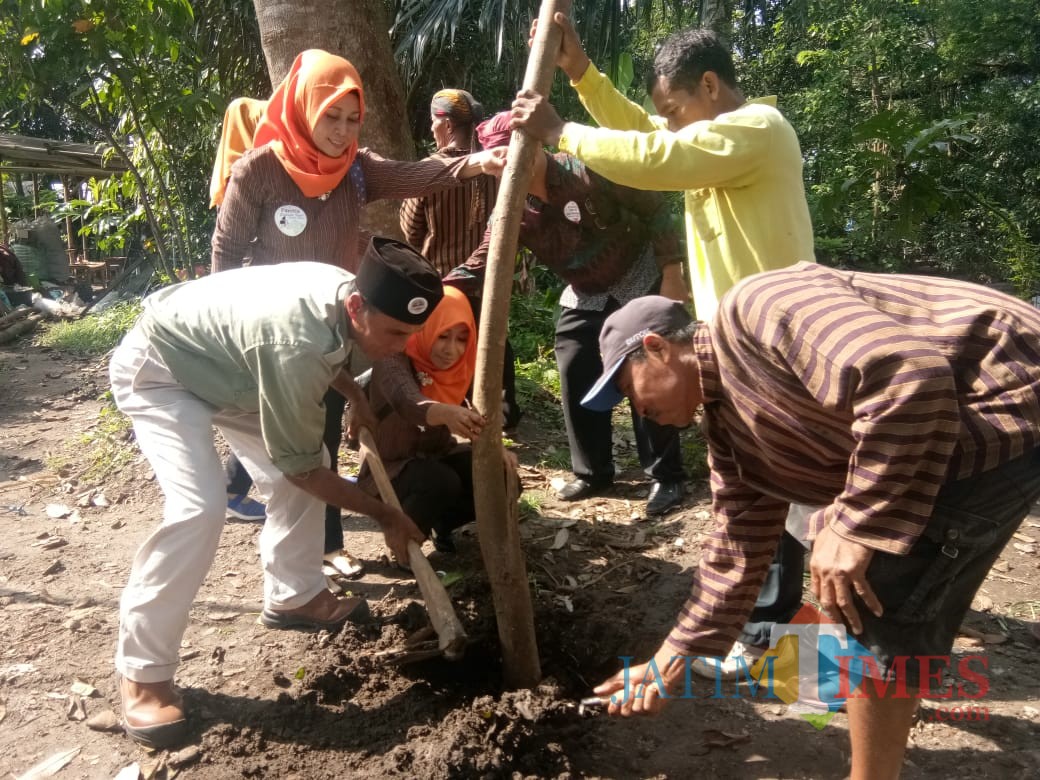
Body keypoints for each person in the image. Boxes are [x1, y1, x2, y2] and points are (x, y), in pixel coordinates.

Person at [582, 265, 1040, 780]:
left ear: (658, 348)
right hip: (941, 424)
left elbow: (909, 374)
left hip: (1003, 389)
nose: (638, 412)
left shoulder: (757, 308)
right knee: (837, 559)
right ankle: (836, 689)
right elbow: (737, 547)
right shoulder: (728, 428)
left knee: (875, 596)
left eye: (629, 387)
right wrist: (674, 655)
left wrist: (857, 524)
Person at [512, 16, 816, 663]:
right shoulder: (710, 139)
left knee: (779, 489)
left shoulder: (758, 131)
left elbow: (660, 156)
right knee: (754, 486)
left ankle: (776, 627)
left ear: (710, 85)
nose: (669, 124)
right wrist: (581, 76)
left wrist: (561, 133)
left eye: (675, 109)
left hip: (779, 345)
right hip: (738, 345)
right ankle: (765, 617)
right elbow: (643, 134)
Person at [109, 238, 442, 749]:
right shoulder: (294, 342)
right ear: (358, 305)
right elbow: (302, 470)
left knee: (315, 462)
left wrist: (354, 396)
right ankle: (144, 673)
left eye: (410, 334)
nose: (400, 347)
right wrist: (387, 517)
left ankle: (295, 595)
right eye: (394, 333)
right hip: (166, 371)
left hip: (238, 373)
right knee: (200, 508)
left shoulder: (343, 295)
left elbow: (327, 353)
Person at [209, 51, 503, 574]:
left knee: (319, 431)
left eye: (352, 119)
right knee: (307, 444)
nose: (341, 132)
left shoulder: (357, 171)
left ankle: (317, 549)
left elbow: (414, 175)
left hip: (343, 316)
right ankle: (321, 551)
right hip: (277, 330)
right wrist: (231, 332)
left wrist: (474, 163)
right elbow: (226, 255)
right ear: (303, 109)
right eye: (330, 117)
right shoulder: (257, 171)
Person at [447, 111, 687, 515]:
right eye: (497, 156)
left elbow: (656, 209)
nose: (509, 163)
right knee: (574, 359)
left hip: (638, 275)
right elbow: (483, 260)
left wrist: (672, 274)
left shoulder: (589, 167)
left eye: (515, 150)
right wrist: (439, 290)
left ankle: (666, 476)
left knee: (647, 369)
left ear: (538, 144)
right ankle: (593, 471)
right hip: (584, 291)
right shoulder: (512, 208)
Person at [400, 89, 522, 432]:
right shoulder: (496, 166)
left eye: (433, 122)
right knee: (490, 339)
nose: (431, 129)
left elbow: (410, 230)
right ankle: (503, 410)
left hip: (440, 282)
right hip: (486, 279)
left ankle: (446, 414)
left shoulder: (430, 170)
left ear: (447, 124)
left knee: (441, 348)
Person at [358, 286, 513, 552]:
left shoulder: (463, 365)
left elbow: (484, 408)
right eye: (443, 335)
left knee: (502, 474)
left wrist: (496, 445)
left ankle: (443, 524)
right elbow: (406, 400)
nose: (451, 349)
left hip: (436, 453)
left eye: (462, 338)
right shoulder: (393, 355)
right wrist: (444, 412)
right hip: (388, 464)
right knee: (439, 482)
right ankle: (405, 544)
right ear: (424, 328)